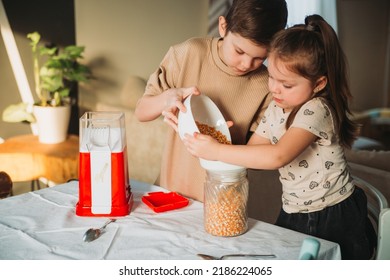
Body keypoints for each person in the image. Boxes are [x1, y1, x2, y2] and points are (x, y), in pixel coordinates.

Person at [183, 14, 376, 260]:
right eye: (272, 77)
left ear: (318, 84)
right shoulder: (277, 108)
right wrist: (219, 137)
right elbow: (254, 152)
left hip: (332, 213)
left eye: (286, 84)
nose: (274, 88)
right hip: (294, 210)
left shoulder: (317, 109)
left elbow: (277, 156)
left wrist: (216, 151)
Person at [135, 0, 288, 201]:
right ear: (223, 26)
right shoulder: (188, 53)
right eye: (239, 51)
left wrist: (222, 145)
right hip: (170, 190)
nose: (246, 64)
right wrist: (166, 99)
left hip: (222, 200)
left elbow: (257, 159)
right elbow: (141, 112)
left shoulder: (267, 86)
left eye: (260, 58)